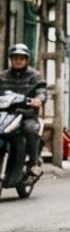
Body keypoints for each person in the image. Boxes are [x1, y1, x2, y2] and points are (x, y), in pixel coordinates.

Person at [0, 43, 46, 184]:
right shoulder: (2, 76)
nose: (18, 61)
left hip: (26, 115)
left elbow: (41, 91)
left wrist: (38, 100)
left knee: (30, 129)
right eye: (15, 58)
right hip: (5, 115)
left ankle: (33, 163)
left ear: (27, 60)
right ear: (10, 59)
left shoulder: (35, 76)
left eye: (21, 58)